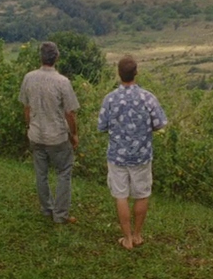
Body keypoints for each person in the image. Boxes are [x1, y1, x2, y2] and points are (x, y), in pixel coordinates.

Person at [97, 56, 167, 249]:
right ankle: (137, 235)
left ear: (119, 74)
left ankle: (126, 238)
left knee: (121, 196)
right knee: (141, 194)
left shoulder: (110, 99)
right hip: (142, 155)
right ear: (136, 72)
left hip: (117, 156)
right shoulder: (148, 97)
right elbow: (160, 123)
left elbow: (102, 126)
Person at [18, 41, 81, 224]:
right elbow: (70, 113)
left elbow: (26, 108)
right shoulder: (62, 82)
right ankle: (60, 215)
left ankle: (47, 209)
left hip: (36, 134)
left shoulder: (29, 78)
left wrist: (29, 126)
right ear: (57, 58)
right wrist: (74, 134)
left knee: (41, 173)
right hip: (57, 137)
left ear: (41, 57)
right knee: (64, 172)